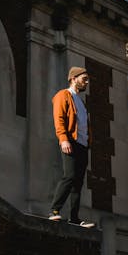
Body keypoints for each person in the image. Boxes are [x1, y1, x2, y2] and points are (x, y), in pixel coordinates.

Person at [49, 67, 95, 228]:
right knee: (69, 176)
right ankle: (54, 210)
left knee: (78, 182)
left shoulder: (81, 102)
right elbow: (59, 118)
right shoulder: (63, 95)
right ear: (73, 78)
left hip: (83, 144)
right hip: (70, 141)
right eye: (84, 79)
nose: (87, 82)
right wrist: (63, 139)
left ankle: (74, 217)